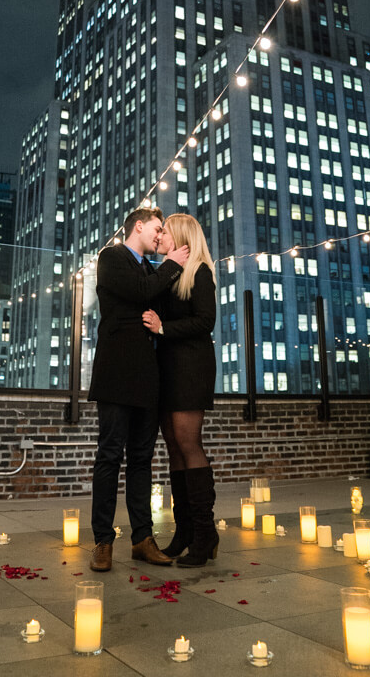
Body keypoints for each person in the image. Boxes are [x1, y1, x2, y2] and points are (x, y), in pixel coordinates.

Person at [88, 207, 189, 573]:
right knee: (110, 455)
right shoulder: (111, 257)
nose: (161, 236)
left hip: (148, 377)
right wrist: (173, 262)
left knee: (142, 460)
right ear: (140, 226)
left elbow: (159, 301)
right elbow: (139, 291)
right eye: (158, 229)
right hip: (117, 375)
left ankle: (142, 539)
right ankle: (102, 540)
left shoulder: (151, 268)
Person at [142, 213, 218, 567]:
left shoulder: (200, 272)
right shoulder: (169, 273)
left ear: (182, 237)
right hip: (166, 369)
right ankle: (184, 531)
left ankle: (205, 533)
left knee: (189, 444)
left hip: (191, 366)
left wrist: (163, 329)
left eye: (164, 233)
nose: (159, 239)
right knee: (172, 445)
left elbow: (206, 321)